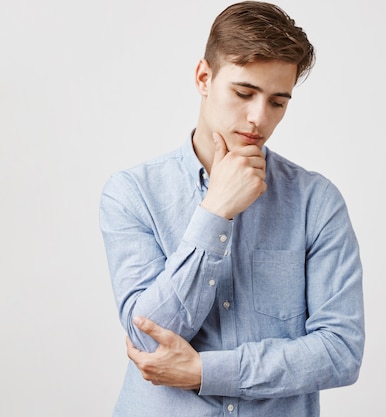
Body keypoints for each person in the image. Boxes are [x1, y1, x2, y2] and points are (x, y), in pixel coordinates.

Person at [99, 2, 365, 416]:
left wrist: (206, 371)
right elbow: (149, 340)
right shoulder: (132, 193)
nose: (258, 118)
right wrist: (215, 211)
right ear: (204, 77)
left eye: (278, 102)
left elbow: (341, 351)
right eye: (244, 93)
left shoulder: (316, 202)